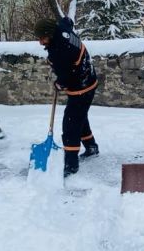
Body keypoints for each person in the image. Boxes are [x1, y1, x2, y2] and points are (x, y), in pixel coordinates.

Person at [34, 17, 99, 177]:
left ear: (50, 34)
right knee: (79, 116)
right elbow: (67, 21)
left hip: (81, 86)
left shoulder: (60, 50)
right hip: (88, 78)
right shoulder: (61, 28)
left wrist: (59, 84)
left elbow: (66, 76)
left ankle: (71, 164)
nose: (41, 43)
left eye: (42, 38)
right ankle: (91, 147)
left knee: (70, 124)